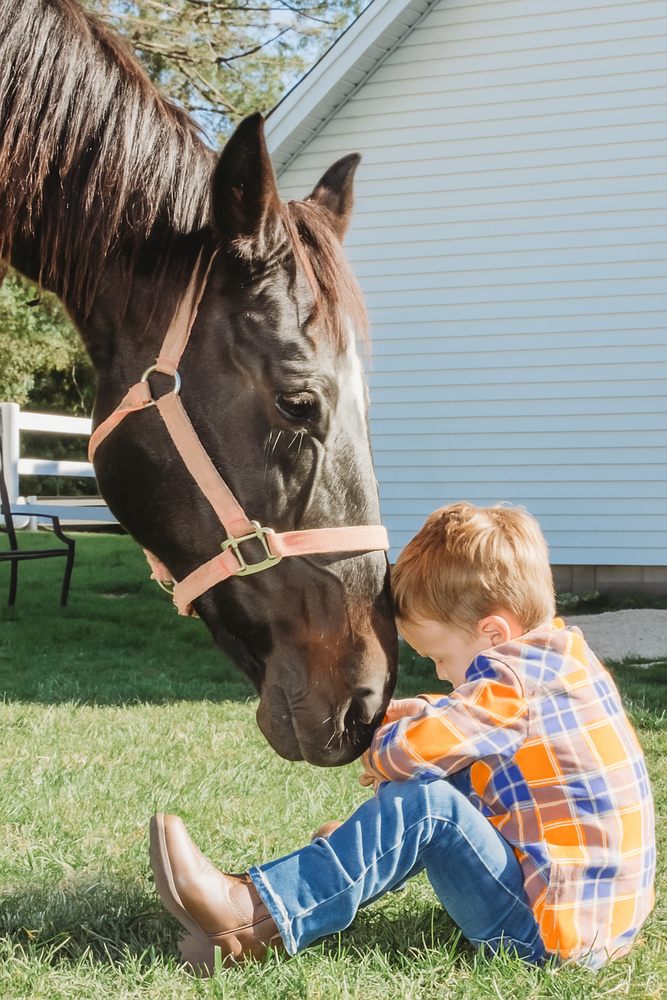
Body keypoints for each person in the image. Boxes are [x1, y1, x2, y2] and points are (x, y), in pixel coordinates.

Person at [149, 502, 656, 973]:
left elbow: (415, 751)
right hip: (593, 925)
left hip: (543, 940)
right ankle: (361, 851)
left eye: (438, 656)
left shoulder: (513, 681)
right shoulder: (558, 661)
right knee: (440, 780)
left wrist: (381, 748)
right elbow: (462, 722)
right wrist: (407, 720)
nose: (440, 673)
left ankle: (256, 918)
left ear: (494, 634)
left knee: (427, 804)